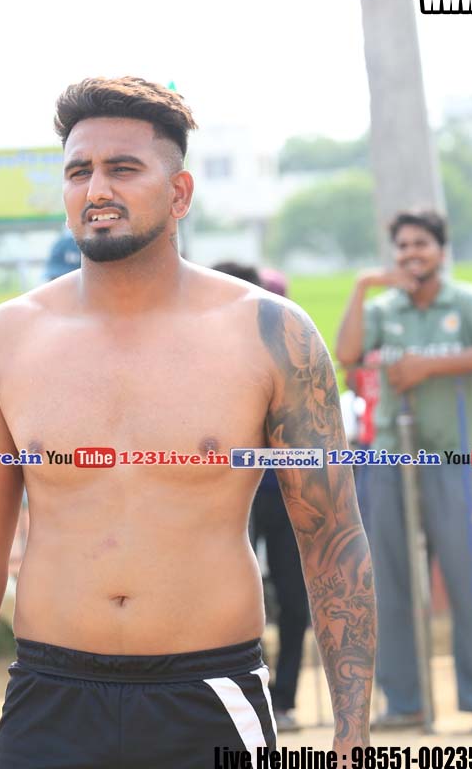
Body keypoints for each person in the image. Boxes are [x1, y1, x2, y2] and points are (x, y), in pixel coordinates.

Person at [0, 77, 375, 768]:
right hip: (48, 700)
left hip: (209, 697)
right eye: (79, 172)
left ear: (180, 193)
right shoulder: (3, 340)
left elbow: (331, 541)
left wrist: (352, 736)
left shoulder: (271, 333)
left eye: (122, 169)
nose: (97, 189)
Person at [335, 209, 472, 732]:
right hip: (389, 460)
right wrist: (361, 288)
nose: (411, 253)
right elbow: (347, 353)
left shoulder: (466, 302)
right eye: (402, 246)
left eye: (421, 243)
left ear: (441, 250)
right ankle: (405, 702)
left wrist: (429, 366)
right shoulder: (384, 307)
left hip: (452, 459)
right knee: (388, 585)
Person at [213, 261, 310, 734]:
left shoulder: (285, 349)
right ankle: (251, 691)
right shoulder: (200, 356)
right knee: (232, 595)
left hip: (287, 493)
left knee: (294, 598)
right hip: (229, 497)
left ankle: (284, 698)